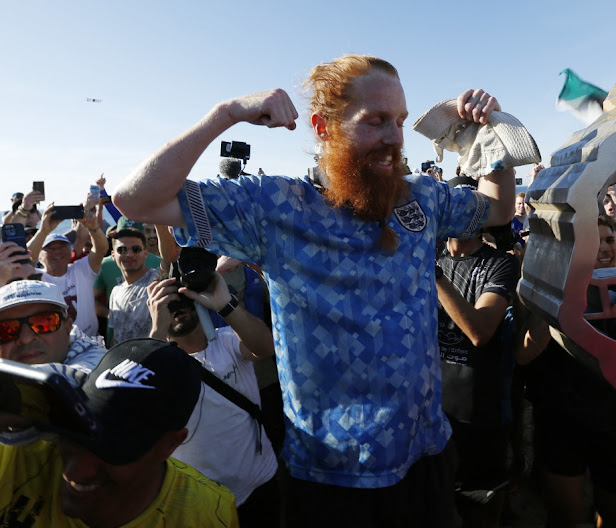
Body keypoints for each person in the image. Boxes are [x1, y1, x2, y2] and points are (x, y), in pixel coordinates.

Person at [113, 54, 525, 526]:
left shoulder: (420, 197)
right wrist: (226, 113)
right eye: (374, 121)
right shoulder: (275, 205)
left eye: (399, 121)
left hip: (425, 454)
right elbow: (137, 199)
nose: (394, 137)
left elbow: (497, 209)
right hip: (330, 475)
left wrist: (485, 133)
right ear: (323, 127)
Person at [0, 337, 239, 527]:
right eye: (74, 431)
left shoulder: (208, 514)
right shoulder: (14, 456)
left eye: (114, 449)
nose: (75, 471)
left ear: (170, 445)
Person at [522, 215, 616, 528]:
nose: (603, 248)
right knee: (563, 516)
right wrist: (559, 300)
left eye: (609, 240)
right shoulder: (548, 290)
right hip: (562, 419)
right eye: (591, 242)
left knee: (614, 514)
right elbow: (524, 354)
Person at [147, 270, 279, 526]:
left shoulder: (228, 342)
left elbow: (265, 347)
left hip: (259, 485)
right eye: (168, 304)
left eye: (182, 299)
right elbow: (142, 402)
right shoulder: (157, 362)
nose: (177, 308)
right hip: (202, 503)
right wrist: (156, 329)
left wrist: (225, 303)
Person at [436, 176, 520, 527]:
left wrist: (433, 275)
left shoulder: (499, 263)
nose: (462, 212)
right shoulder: (433, 258)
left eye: (470, 204)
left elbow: (480, 331)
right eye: (454, 204)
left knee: (481, 504)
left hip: (480, 409)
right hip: (430, 409)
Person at [26, 200, 108, 338]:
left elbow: (101, 250)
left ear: (70, 252)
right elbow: (24, 261)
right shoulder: (35, 278)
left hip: (89, 344)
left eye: (63, 247)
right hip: (53, 347)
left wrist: (94, 228)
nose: (57, 252)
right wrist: (43, 231)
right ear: (40, 257)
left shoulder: (81, 269)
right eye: (50, 248)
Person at [0, 280, 106, 371]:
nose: (26, 338)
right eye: (7, 329)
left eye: (44, 322)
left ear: (67, 328)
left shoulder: (100, 366)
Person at [108, 228, 167, 345]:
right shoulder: (115, 292)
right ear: (113, 255)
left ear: (145, 254)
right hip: (124, 360)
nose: (129, 254)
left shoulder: (157, 279)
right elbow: (116, 335)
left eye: (136, 249)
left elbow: (169, 260)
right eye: (122, 250)